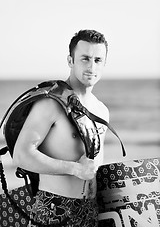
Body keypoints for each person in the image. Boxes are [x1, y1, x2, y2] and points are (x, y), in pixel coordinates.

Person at [12, 29, 109, 226]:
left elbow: (94, 167)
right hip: (54, 207)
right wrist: (74, 169)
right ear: (70, 61)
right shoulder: (51, 103)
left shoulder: (101, 110)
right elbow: (21, 155)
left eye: (98, 60)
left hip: (91, 210)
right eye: (85, 58)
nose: (91, 66)